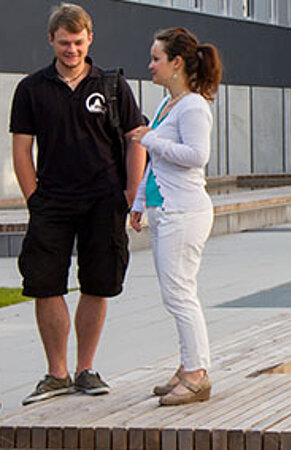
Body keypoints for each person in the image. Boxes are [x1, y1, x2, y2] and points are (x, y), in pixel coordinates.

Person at [10, 3, 146, 405]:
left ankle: (86, 369)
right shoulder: (31, 89)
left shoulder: (112, 85)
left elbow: (135, 139)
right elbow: (21, 149)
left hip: (103, 200)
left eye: (78, 42)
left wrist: (130, 194)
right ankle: (57, 373)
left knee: (98, 283)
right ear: (51, 41)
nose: (71, 49)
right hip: (51, 200)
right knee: (44, 283)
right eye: (64, 42)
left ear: (90, 40)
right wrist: (34, 197)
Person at [129, 28, 222, 406]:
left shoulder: (193, 106)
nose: (150, 65)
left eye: (156, 58)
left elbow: (197, 156)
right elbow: (157, 166)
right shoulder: (170, 105)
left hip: (184, 212)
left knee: (180, 295)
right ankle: (187, 366)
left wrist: (149, 139)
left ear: (176, 63)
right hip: (166, 210)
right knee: (176, 294)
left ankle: (197, 374)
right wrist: (137, 201)